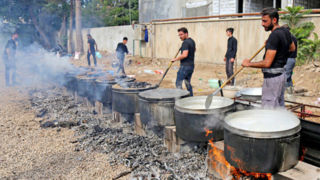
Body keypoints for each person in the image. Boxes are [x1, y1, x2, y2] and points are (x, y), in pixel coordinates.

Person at [242, 8, 295, 108]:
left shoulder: (274, 36)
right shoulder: (285, 31)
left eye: (265, 21)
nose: (262, 24)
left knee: (269, 108)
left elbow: (267, 63)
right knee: (279, 105)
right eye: (262, 20)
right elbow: (292, 48)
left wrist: (249, 64)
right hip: (281, 76)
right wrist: (278, 48)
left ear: (274, 20)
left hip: (272, 78)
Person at [171, 27, 196, 96]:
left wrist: (175, 59)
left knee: (178, 83)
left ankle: (180, 99)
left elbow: (184, 55)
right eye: (179, 35)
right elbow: (194, 50)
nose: (180, 36)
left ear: (186, 33)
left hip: (185, 66)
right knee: (187, 83)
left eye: (181, 34)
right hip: (191, 66)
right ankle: (191, 98)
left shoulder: (185, 43)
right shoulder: (192, 41)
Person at [283, 24, 298, 94]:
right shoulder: (293, 37)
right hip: (292, 60)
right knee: (288, 77)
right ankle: (290, 93)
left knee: (285, 77)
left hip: (289, 59)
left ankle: (285, 94)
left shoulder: (288, 38)